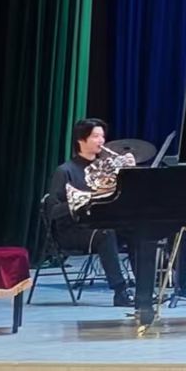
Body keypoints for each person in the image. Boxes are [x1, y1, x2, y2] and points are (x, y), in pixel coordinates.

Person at [44, 119, 149, 312]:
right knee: (105, 234)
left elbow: (126, 195)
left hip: (100, 223)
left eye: (102, 136)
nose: (101, 140)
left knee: (139, 231)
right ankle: (120, 292)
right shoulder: (65, 171)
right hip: (72, 230)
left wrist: (130, 171)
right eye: (95, 136)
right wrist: (84, 198)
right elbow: (53, 211)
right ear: (81, 140)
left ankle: (145, 291)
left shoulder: (106, 167)